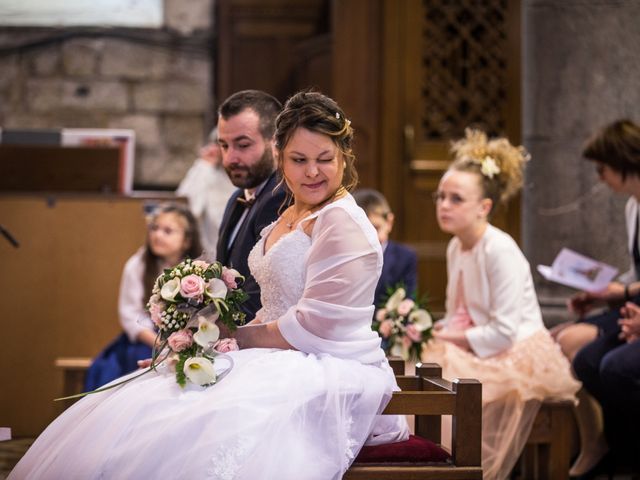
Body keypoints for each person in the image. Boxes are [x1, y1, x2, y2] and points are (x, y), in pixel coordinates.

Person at [10, 91, 409, 480]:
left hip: (324, 365)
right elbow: (270, 304)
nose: (312, 172)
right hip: (278, 350)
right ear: (280, 158)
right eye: (298, 159)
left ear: (344, 157)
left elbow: (312, 326)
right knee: (155, 402)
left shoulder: (339, 221)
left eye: (325, 159)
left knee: (190, 420)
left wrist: (228, 335)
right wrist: (203, 343)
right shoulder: (291, 210)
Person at [422, 128, 580, 480]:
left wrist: (452, 339)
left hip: (516, 349)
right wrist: (441, 330)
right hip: (481, 342)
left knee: (452, 384)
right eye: (440, 196)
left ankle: (458, 469)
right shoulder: (455, 247)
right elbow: (457, 313)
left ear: (485, 207)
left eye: (456, 199)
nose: (443, 206)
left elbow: (505, 331)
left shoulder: (499, 249)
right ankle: (430, 465)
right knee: (425, 373)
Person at [567, 119, 640, 473]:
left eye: (602, 168)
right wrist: (601, 296)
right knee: (586, 361)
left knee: (615, 367)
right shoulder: (632, 207)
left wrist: (623, 292)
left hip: (634, 300)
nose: (599, 177)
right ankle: (616, 446)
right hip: (633, 301)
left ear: (623, 161)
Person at [84, 203, 203, 391]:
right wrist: (164, 343)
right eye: (154, 228)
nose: (157, 235)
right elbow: (130, 316)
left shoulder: (199, 268)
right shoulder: (137, 265)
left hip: (187, 339)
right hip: (148, 339)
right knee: (141, 362)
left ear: (187, 240)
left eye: (167, 231)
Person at [215, 90, 289, 320]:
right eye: (224, 146)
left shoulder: (281, 196)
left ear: (276, 142)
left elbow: (259, 296)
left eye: (243, 145)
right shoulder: (236, 198)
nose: (229, 159)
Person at [352, 188, 418, 307]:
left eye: (375, 228)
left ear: (389, 222)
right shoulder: (344, 257)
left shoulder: (405, 258)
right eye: (360, 231)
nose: (369, 238)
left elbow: (409, 299)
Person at [176, 127, 236, 258]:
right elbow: (185, 208)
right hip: (209, 255)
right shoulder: (205, 171)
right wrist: (203, 166)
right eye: (223, 145)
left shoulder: (245, 177)